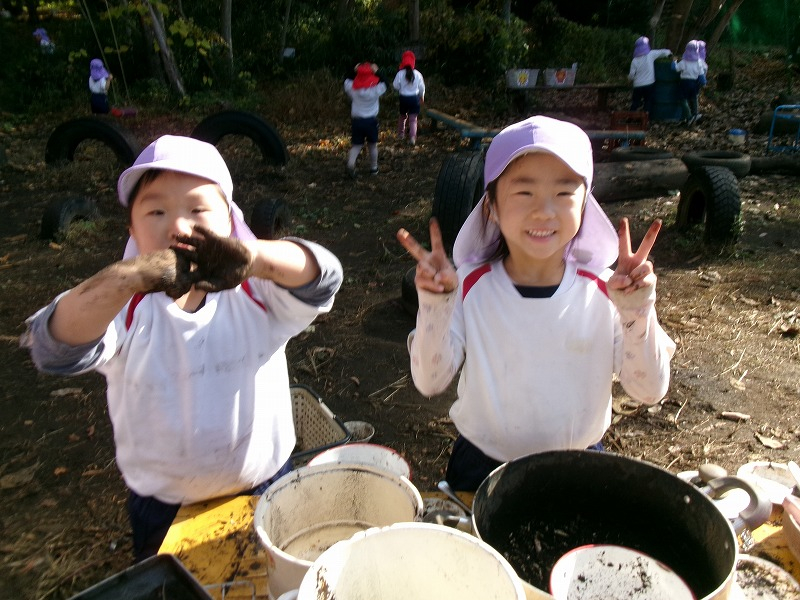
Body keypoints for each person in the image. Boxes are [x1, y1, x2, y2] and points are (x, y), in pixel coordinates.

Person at [21, 135, 343, 561]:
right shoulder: (125, 308)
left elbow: (325, 277)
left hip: (264, 482)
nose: (179, 226)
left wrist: (255, 258)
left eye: (198, 209)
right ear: (132, 230)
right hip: (165, 506)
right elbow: (53, 346)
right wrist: (129, 277)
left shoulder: (258, 293)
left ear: (229, 221)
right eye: (156, 211)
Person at [396, 116, 675, 491]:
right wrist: (434, 304)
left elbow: (650, 390)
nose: (544, 211)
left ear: (584, 207)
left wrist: (638, 310)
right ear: (491, 205)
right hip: (481, 466)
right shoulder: (469, 287)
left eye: (563, 194)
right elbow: (430, 382)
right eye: (524, 193)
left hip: (578, 464)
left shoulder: (606, 292)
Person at [343, 62, 387, 179]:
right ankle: (374, 168)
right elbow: (385, 82)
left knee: (356, 145)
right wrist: (377, 71)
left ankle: (351, 164)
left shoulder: (352, 88)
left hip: (357, 121)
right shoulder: (376, 89)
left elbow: (346, 79)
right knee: (372, 145)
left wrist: (355, 69)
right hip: (371, 122)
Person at [627, 36, 671, 117]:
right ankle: (645, 119)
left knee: (635, 102)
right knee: (648, 101)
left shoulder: (634, 60)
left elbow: (631, 75)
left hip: (637, 85)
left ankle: (630, 118)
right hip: (649, 84)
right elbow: (664, 52)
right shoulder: (651, 54)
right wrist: (670, 54)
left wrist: (629, 80)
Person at [393, 50, 426, 146]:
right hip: (414, 99)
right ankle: (412, 137)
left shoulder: (399, 74)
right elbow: (422, 87)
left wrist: (401, 88)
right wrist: (422, 96)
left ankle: (401, 134)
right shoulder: (418, 74)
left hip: (403, 98)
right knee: (413, 119)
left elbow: (395, 86)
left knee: (402, 116)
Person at [672, 40, 704, 125]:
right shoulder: (699, 62)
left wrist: (674, 61)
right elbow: (701, 75)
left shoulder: (684, 62)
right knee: (694, 98)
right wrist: (703, 82)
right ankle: (695, 114)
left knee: (683, 100)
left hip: (684, 83)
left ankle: (689, 117)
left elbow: (675, 69)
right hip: (694, 83)